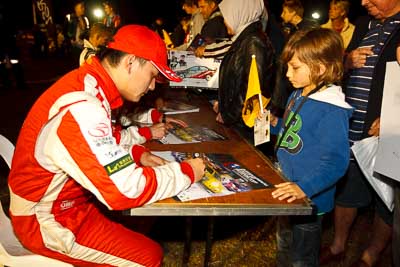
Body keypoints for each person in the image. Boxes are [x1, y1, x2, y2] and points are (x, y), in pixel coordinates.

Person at [7, 25, 205, 266]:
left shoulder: (90, 84)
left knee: (143, 224)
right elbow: (123, 191)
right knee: (149, 256)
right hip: (45, 219)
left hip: (68, 203)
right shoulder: (84, 106)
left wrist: (135, 154)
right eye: (152, 75)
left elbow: (104, 141)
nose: (153, 86)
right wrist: (185, 172)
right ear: (131, 62)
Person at [319, 1, 400, 266]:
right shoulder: (365, 23)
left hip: (386, 129)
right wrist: (347, 60)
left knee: (385, 196)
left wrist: (393, 117)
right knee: (347, 187)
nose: (364, 2)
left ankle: (371, 254)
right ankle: (338, 244)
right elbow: (342, 66)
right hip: (352, 122)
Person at [270, 28, 353, 267]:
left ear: (320, 68)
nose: (287, 74)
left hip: (309, 201)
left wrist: (304, 188)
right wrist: (276, 124)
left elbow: (337, 162)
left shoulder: (331, 109)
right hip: (288, 191)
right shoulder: (298, 94)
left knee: (302, 258)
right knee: (284, 247)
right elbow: (293, 130)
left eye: (295, 68)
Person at [213, 0, 274, 143]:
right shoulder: (244, 39)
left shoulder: (253, 42)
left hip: (245, 126)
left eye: (226, 16)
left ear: (239, 13)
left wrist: (228, 114)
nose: (224, 21)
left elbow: (251, 89)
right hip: (238, 122)